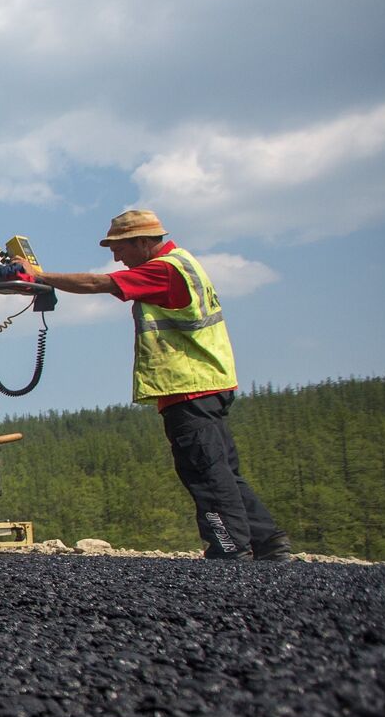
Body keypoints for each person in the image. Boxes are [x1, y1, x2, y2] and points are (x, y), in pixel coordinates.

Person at [22, 209, 291, 560]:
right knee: (224, 470)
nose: (116, 257)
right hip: (209, 383)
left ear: (144, 242)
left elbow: (99, 283)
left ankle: (230, 548)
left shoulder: (164, 270)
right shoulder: (184, 263)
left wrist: (38, 276)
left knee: (205, 471)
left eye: (119, 248)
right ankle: (268, 543)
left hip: (188, 387)